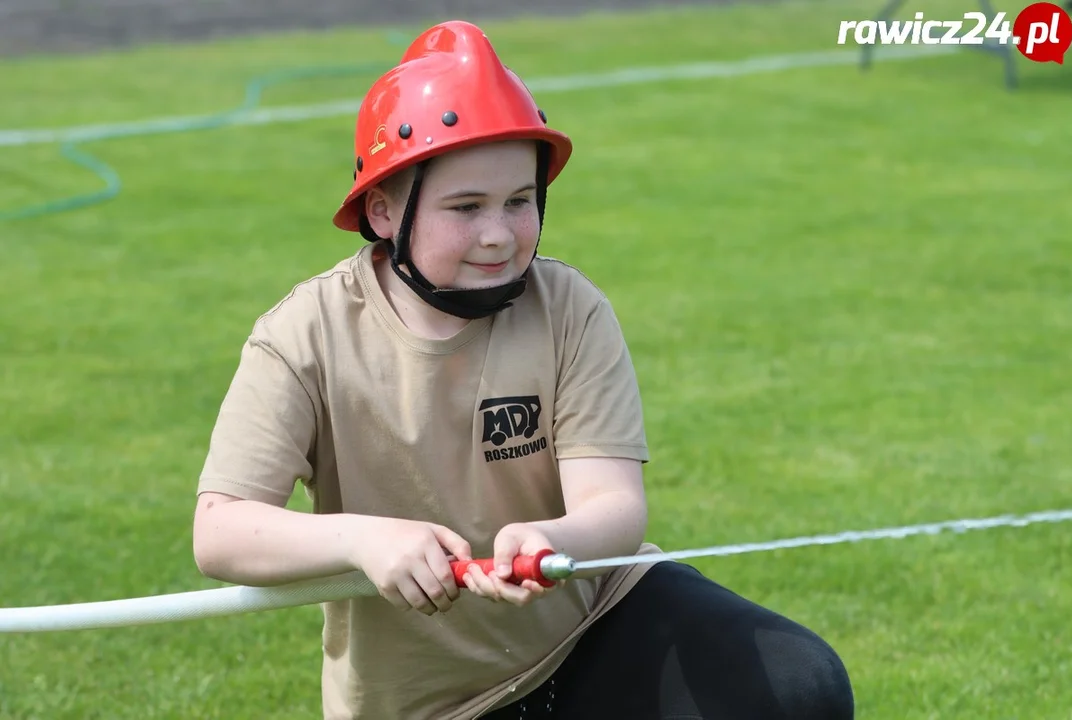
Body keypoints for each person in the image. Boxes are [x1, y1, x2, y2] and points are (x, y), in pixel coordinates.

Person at [191, 19, 855, 720]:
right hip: (432, 703)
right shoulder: (302, 335)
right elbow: (222, 531)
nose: (499, 234)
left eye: (519, 200)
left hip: (594, 627)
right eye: (465, 207)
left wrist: (554, 539)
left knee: (796, 686)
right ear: (384, 211)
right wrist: (365, 538)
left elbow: (615, 507)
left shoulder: (569, 306)